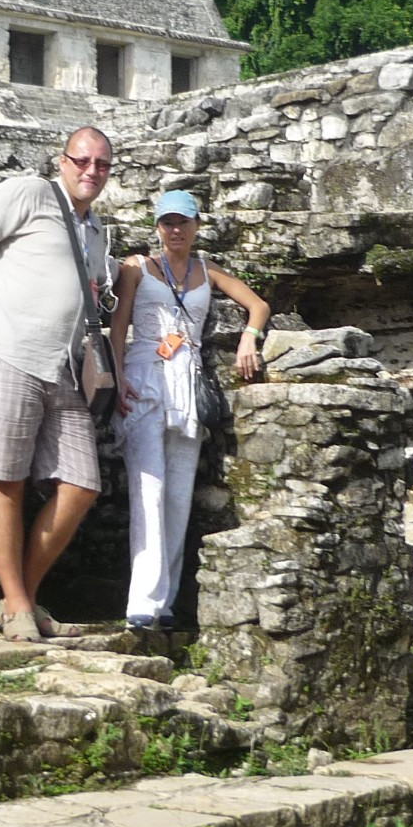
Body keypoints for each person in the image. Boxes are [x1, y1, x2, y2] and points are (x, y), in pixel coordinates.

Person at [0, 125, 116, 642]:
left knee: (82, 484)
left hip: (62, 367)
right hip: (7, 352)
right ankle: (18, 607)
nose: (91, 171)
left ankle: (22, 597)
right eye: (82, 160)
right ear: (62, 161)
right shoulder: (31, 192)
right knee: (7, 480)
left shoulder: (96, 230)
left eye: (102, 165)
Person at [109, 189, 269, 631]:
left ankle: (166, 603)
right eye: (167, 222)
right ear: (157, 227)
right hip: (145, 376)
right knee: (149, 490)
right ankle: (141, 602)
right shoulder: (136, 268)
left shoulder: (207, 269)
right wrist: (119, 378)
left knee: (179, 496)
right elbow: (117, 326)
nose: (175, 230)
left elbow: (258, 304)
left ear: (197, 225)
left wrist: (249, 337)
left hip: (189, 382)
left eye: (183, 222)